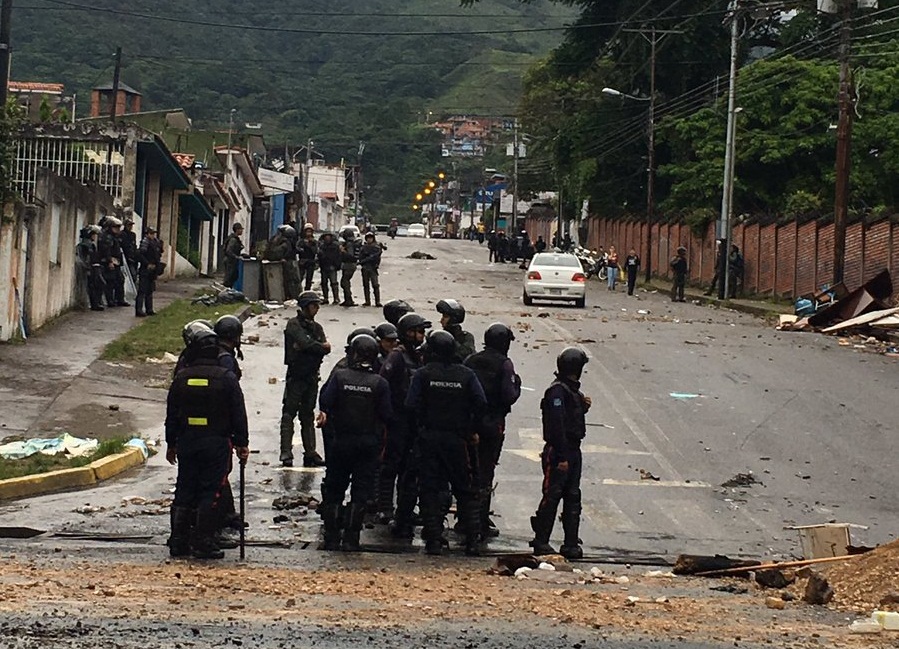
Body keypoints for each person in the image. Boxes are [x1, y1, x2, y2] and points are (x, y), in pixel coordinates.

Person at [165, 321, 249, 560]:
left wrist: (171, 443)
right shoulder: (226, 378)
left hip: (188, 442)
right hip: (216, 442)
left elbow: (172, 413)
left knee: (185, 488)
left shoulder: (182, 377)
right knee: (211, 491)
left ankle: (179, 541)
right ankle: (203, 541)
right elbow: (238, 412)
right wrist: (242, 442)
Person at [405, 330, 487, 555]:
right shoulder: (466, 375)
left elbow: (410, 405)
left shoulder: (423, 374)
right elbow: (481, 403)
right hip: (458, 440)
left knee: (430, 488)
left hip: (430, 439)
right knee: (465, 489)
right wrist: (470, 428)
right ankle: (472, 541)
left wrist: (422, 425)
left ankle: (433, 540)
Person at [317, 334, 392, 551]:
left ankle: (331, 535)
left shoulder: (340, 377)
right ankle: (351, 538)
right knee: (361, 490)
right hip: (368, 444)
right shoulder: (380, 383)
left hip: (341, 442)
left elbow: (326, 401)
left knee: (335, 488)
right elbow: (387, 414)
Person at [529, 347, 591, 559]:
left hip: (573, 449)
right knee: (553, 494)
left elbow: (571, 416)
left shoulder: (571, 391)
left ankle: (571, 543)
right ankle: (541, 540)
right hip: (559, 451)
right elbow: (556, 425)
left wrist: (583, 407)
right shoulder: (557, 392)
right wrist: (562, 457)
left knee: (572, 496)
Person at [464, 323, 521, 539]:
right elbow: (509, 395)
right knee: (486, 472)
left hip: (469, 425)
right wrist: (517, 385)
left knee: (468, 471)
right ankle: (479, 521)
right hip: (492, 425)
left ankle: (466, 517)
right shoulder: (505, 365)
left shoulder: (472, 359)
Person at [378, 312, 430, 534]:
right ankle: (385, 507)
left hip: (414, 420)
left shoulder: (419, 357)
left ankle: (404, 510)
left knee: (410, 467)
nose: (421, 336)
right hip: (397, 419)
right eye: (418, 331)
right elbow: (383, 386)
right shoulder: (397, 357)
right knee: (392, 463)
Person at [280, 291, 331, 467]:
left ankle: (310, 452)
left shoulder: (316, 328)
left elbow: (325, 347)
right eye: (313, 305)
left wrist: (315, 347)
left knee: (308, 414)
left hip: (311, 375)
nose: (316, 309)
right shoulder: (293, 324)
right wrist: (315, 346)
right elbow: (305, 343)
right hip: (296, 376)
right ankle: (286, 452)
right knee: (289, 413)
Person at [98, 216, 128, 307]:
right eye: (116, 227)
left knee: (120, 280)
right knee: (110, 282)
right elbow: (107, 250)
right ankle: (110, 300)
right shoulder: (107, 237)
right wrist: (110, 261)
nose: (118, 229)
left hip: (116, 262)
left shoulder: (115, 237)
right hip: (109, 262)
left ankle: (119, 299)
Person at [265, 224, 300, 300]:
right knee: (290, 281)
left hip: (285, 263)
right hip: (285, 264)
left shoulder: (278, 240)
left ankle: (291, 296)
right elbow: (278, 252)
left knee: (290, 281)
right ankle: (291, 296)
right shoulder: (283, 242)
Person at [135, 225, 163, 317]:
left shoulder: (156, 242)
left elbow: (159, 255)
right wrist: (147, 264)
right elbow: (140, 255)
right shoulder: (145, 242)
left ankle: (149, 309)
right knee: (142, 290)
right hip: (145, 269)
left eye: (153, 233)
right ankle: (139, 310)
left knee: (150, 291)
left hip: (153, 270)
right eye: (151, 233)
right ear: (147, 234)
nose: (152, 235)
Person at [77, 225, 105, 312]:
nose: (94, 236)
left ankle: (96, 302)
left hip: (94, 267)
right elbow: (87, 258)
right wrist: (89, 267)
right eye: (93, 234)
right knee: (93, 286)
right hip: (91, 268)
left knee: (99, 284)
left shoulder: (90, 245)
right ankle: (95, 304)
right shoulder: (86, 245)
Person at [358, 231, 383, 307]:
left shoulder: (376, 248)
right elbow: (360, 257)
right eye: (368, 238)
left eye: (370, 238)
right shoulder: (363, 248)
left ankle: (377, 301)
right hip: (365, 267)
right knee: (366, 285)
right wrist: (363, 262)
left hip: (373, 268)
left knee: (375, 285)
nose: (369, 240)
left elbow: (378, 258)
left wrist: (375, 264)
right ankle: (367, 301)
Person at [317, 232, 341, 305]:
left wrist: (336, 266)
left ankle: (336, 298)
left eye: (328, 237)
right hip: (324, 267)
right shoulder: (322, 246)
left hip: (332, 267)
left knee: (334, 283)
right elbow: (319, 257)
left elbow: (338, 257)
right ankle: (326, 298)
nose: (327, 239)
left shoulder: (335, 246)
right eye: (326, 237)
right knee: (324, 283)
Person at [339, 229, 359, 307]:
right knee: (345, 282)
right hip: (350, 264)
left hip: (349, 264)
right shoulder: (352, 243)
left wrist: (343, 251)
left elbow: (350, 255)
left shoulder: (349, 244)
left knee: (345, 282)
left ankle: (348, 300)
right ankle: (348, 299)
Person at [297, 223, 318, 291]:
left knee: (309, 278)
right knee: (300, 277)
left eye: (310, 232)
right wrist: (302, 248)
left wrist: (311, 244)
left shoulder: (314, 242)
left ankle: (307, 290)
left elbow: (316, 251)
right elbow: (297, 248)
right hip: (302, 261)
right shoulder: (301, 241)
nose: (308, 233)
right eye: (307, 231)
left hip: (310, 261)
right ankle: (298, 290)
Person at [223, 223, 244, 289]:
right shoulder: (233, 240)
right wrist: (236, 257)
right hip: (230, 261)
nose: (242, 231)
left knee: (234, 276)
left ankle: (229, 291)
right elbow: (228, 251)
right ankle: (226, 293)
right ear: (237, 230)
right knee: (229, 278)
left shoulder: (236, 239)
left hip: (232, 261)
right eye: (240, 229)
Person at [119, 216, 138, 284]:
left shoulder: (133, 235)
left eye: (131, 225)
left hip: (132, 258)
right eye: (129, 225)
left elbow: (134, 246)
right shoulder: (121, 234)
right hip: (124, 258)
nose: (130, 227)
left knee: (133, 276)